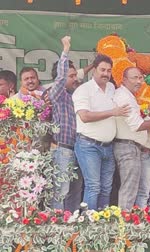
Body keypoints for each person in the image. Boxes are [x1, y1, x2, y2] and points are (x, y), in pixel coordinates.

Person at [72, 54, 130, 210]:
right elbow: (84, 116)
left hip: (108, 146)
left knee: (106, 187)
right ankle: (89, 225)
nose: (106, 73)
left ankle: (102, 225)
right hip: (88, 145)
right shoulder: (83, 90)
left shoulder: (112, 88)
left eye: (109, 71)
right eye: (102, 70)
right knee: (93, 186)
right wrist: (113, 112)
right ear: (94, 70)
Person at [113, 67, 150, 210]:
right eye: (134, 78)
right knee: (130, 188)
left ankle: (128, 222)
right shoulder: (124, 96)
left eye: (140, 78)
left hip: (133, 147)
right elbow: (137, 126)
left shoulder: (130, 96)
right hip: (127, 147)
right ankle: (124, 225)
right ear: (124, 80)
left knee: (133, 188)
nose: (139, 81)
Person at [48, 36, 84, 212]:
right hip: (61, 150)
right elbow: (61, 79)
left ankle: (71, 231)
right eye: (72, 76)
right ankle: (56, 230)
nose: (75, 79)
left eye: (75, 75)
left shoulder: (76, 96)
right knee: (61, 191)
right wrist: (66, 50)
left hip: (78, 149)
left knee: (76, 192)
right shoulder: (57, 94)